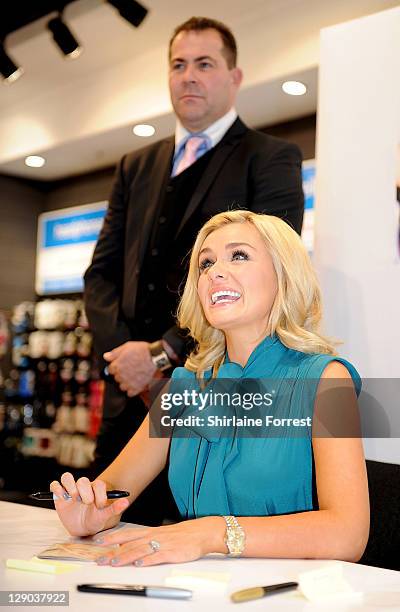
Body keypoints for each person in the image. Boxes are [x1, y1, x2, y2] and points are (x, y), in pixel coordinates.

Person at [51, 210, 369, 566]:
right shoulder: (182, 388)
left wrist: (211, 534)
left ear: (285, 275)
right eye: (205, 263)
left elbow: (348, 534)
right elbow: (112, 492)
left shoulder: (328, 380)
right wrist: (91, 513)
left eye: (239, 255)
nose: (214, 272)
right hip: (197, 589)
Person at [83, 16, 304, 525]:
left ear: (235, 76)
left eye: (205, 64)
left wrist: (161, 355)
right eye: (178, 65)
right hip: (126, 396)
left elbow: (270, 275)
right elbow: (100, 275)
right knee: (100, 537)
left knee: (198, 537)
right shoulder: (134, 167)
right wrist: (128, 359)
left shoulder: (270, 158)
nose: (189, 76)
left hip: (215, 389)